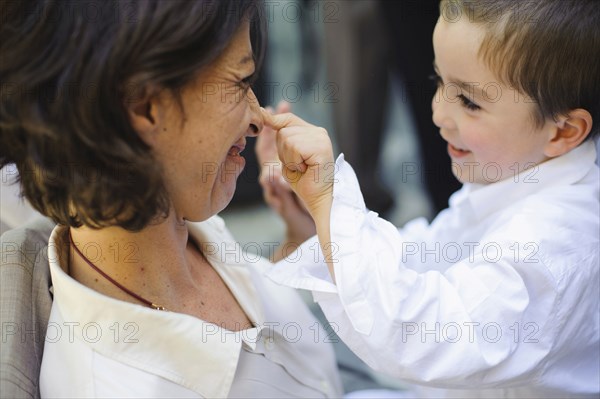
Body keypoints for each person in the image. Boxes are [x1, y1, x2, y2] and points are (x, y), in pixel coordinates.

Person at [0, 1, 342, 397]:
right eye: (241, 81)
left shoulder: (180, 219)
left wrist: (302, 239)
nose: (257, 118)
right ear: (145, 106)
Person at [258, 0, 600, 397]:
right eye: (439, 82)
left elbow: (428, 335)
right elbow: (426, 258)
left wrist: (330, 208)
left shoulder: (556, 238)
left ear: (563, 132)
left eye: (470, 102)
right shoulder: (518, 175)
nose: (438, 113)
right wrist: (317, 222)